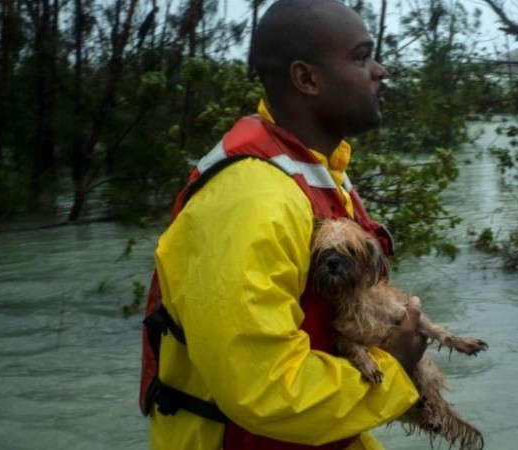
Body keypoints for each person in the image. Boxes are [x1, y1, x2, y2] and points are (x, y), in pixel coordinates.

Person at [142, 0, 428, 448]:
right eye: (360, 56)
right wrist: (396, 368)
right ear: (307, 79)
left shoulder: (316, 171)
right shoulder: (252, 202)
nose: (380, 70)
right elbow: (265, 389)